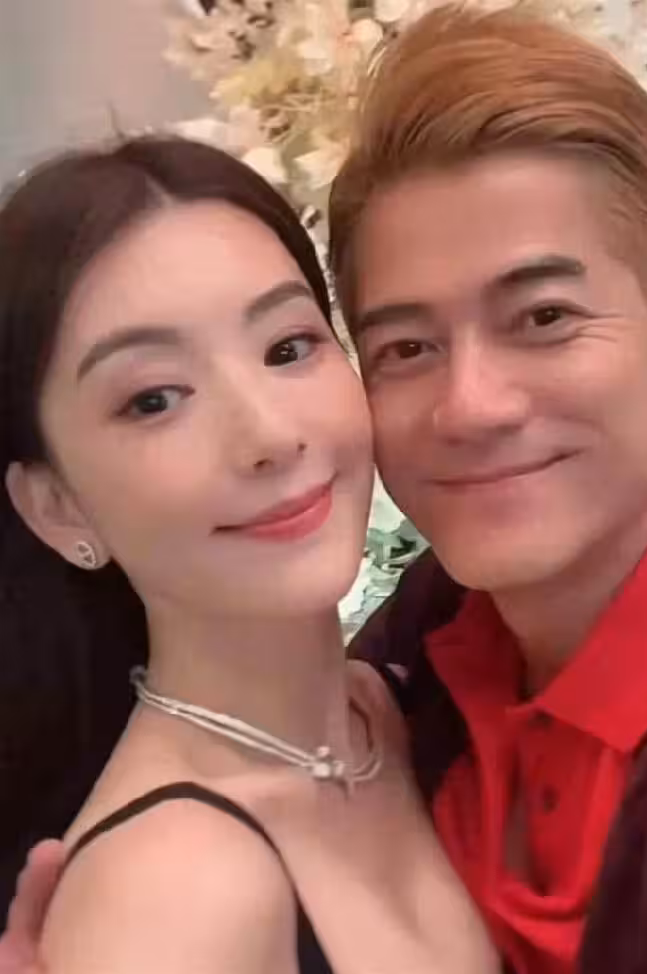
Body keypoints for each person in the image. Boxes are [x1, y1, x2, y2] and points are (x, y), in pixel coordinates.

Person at [5, 5, 647, 974]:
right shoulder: (433, 645)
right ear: (54, 504)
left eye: (543, 317)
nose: (472, 406)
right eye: (406, 346)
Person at [0, 135, 497, 974]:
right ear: (57, 507)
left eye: (288, 348)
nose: (268, 434)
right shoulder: (171, 895)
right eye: (154, 399)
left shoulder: (389, 706)